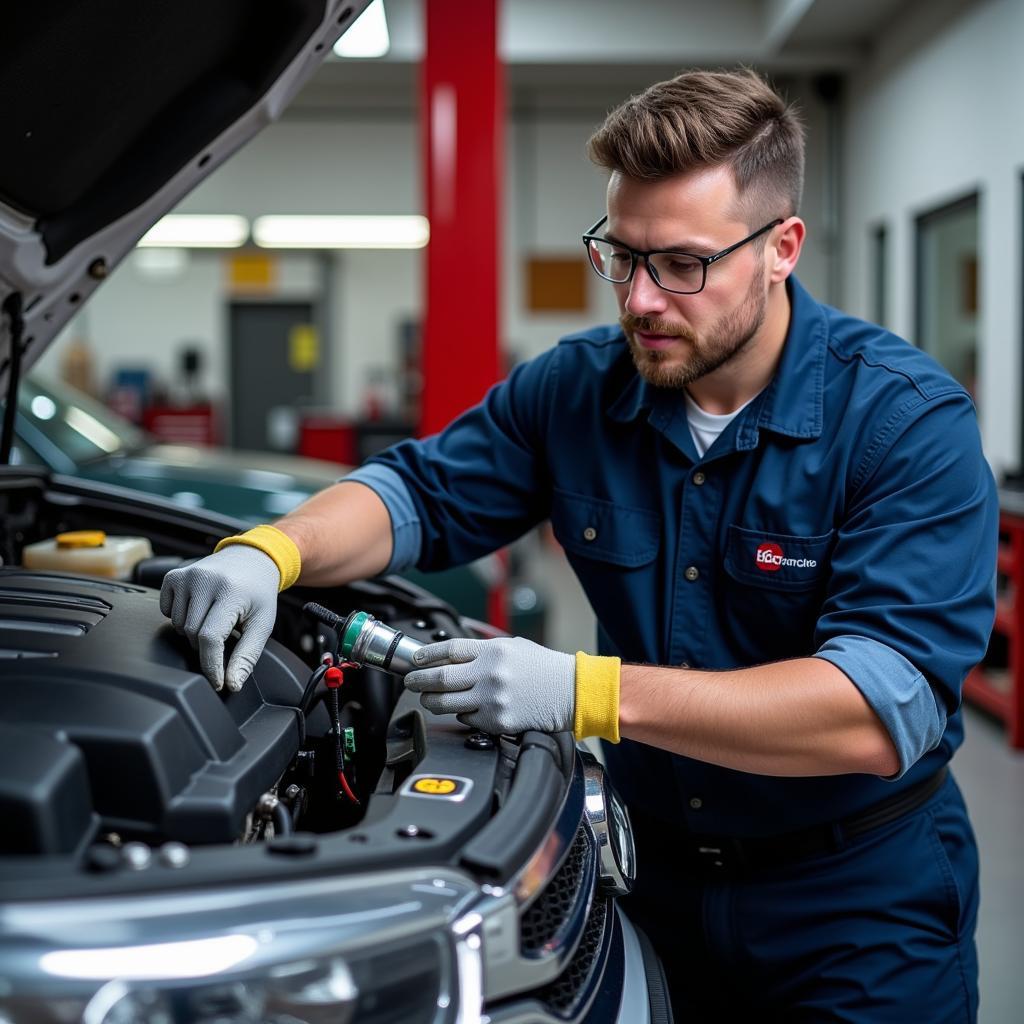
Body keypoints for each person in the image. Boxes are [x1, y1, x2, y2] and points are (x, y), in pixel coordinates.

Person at [160, 69, 997, 1021]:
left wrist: (584, 692)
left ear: (781, 249)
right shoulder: (577, 389)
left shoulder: (902, 423)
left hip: (853, 904)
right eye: (621, 255)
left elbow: (874, 710)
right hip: (651, 878)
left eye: (683, 264)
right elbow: (418, 493)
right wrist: (271, 552)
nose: (640, 300)